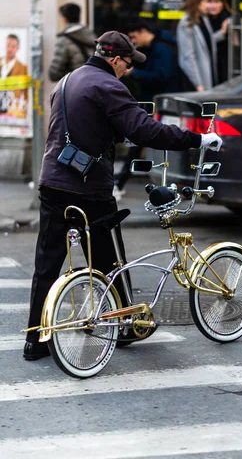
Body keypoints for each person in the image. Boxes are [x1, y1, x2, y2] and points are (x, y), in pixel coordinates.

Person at [24, 30, 222, 361]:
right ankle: (127, 324)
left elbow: (80, 124)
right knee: (109, 259)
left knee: (47, 263)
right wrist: (196, 139)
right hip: (89, 187)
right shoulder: (109, 86)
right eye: (128, 65)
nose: (128, 71)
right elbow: (146, 130)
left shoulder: (68, 81)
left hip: (53, 181)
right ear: (115, 59)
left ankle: (35, 341)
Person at [112, 22, 181, 201]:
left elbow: (162, 76)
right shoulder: (156, 48)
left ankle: (119, 182)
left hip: (160, 102)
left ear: (144, 31)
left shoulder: (161, 50)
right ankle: (119, 182)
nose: (133, 42)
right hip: (155, 102)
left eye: (134, 37)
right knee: (141, 141)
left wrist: (135, 74)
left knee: (141, 141)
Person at [177, 0, 226, 92]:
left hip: (209, 74)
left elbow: (208, 42)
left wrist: (223, 32)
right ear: (197, 2)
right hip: (197, 80)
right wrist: (198, 84)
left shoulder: (204, 19)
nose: (208, 5)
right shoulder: (186, 23)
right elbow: (188, 57)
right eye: (205, 1)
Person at [48, 3, 96, 82]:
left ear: (64, 19)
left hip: (75, 86)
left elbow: (54, 74)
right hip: (93, 84)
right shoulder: (92, 35)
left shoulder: (64, 41)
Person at [206, 0, 232, 84]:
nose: (212, 6)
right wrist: (222, 32)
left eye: (216, 2)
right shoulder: (203, 20)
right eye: (209, 2)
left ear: (223, 4)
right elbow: (206, 42)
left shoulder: (228, 19)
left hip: (224, 62)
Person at [0, 34, 28, 118]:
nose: (9, 49)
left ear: (17, 48)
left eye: (13, 46)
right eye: (8, 45)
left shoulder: (23, 68)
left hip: (12, 110)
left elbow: (25, 93)